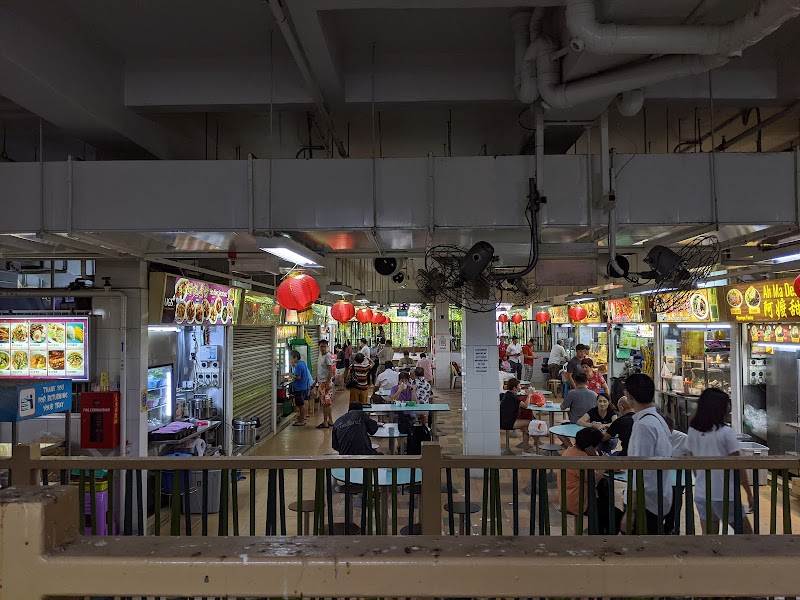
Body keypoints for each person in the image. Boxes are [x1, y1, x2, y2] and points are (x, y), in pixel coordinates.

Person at [687, 388, 754, 534]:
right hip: (725, 494)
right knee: (748, 537)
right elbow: (738, 465)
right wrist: (748, 492)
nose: (728, 409)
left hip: (701, 493)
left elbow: (693, 463)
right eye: (726, 406)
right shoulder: (726, 433)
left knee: (711, 540)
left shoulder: (692, 430)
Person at [622, 373, 674, 535]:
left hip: (646, 503)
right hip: (659, 495)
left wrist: (630, 512)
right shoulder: (658, 420)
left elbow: (640, 470)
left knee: (639, 550)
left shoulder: (644, 426)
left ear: (629, 396)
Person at [556, 427, 622, 535]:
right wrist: (604, 466)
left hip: (570, 496)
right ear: (588, 447)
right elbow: (593, 478)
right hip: (579, 501)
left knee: (605, 504)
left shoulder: (572, 450)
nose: (597, 449)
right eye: (596, 446)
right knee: (616, 514)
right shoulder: (581, 459)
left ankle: (597, 532)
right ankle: (603, 538)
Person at [559, 372, 597, 447]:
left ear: (575, 382)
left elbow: (563, 407)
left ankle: (571, 448)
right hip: (590, 424)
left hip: (575, 423)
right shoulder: (594, 394)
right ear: (587, 382)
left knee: (559, 432)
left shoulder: (572, 393)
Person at [499, 377, 531, 451]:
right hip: (508, 423)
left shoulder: (507, 394)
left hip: (503, 420)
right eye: (519, 386)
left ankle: (525, 446)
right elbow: (525, 405)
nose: (520, 387)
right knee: (530, 422)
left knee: (526, 428)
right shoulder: (513, 397)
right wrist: (529, 395)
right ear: (514, 388)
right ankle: (530, 444)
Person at [287, 350, 313, 426]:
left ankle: (301, 420)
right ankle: (302, 417)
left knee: (301, 405)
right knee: (302, 404)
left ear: (295, 358)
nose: (290, 360)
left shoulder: (298, 365)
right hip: (304, 387)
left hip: (299, 388)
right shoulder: (303, 363)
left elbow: (298, 377)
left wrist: (290, 375)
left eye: (291, 358)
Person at [315, 340, 336, 429]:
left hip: (324, 383)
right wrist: (316, 380)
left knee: (325, 403)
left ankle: (325, 422)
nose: (323, 348)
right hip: (321, 382)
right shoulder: (320, 355)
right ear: (318, 347)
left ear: (327, 347)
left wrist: (327, 383)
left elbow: (330, 370)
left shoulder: (327, 356)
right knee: (327, 403)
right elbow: (320, 369)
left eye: (324, 346)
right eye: (321, 346)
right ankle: (330, 420)